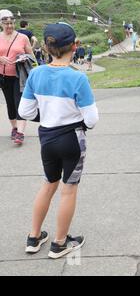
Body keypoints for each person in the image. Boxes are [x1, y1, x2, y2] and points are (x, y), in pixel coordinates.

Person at [19, 22, 99, 259]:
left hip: (47, 139)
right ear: (75, 46)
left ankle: (34, 237)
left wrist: (49, 115)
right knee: (69, 189)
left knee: (48, 184)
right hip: (71, 140)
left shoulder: (36, 74)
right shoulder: (78, 78)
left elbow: (25, 112)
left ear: (45, 46)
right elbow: (92, 119)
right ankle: (59, 243)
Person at [0, 9, 35, 145]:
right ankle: (14, 127)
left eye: (11, 23)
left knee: (19, 102)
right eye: (6, 23)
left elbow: (31, 56)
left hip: (18, 76)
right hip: (3, 76)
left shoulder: (22, 37)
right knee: (9, 103)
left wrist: (23, 57)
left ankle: (20, 132)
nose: (9, 26)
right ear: (1, 24)